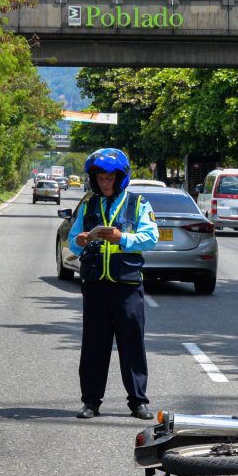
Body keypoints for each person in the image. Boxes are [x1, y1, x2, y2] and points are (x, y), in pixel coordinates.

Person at [68, 148, 159, 420]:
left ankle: (138, 402)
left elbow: (151, 237)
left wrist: (122, 238)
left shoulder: (138, 203)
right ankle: (91, 402)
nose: (103, 182)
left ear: (120, 177)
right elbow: (72, 239)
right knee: (94, 343)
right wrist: (81, 240)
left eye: (108, 177)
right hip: (95, 284)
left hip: (126, 285)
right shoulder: (88, 205)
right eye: (99, 177)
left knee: (131, 343)